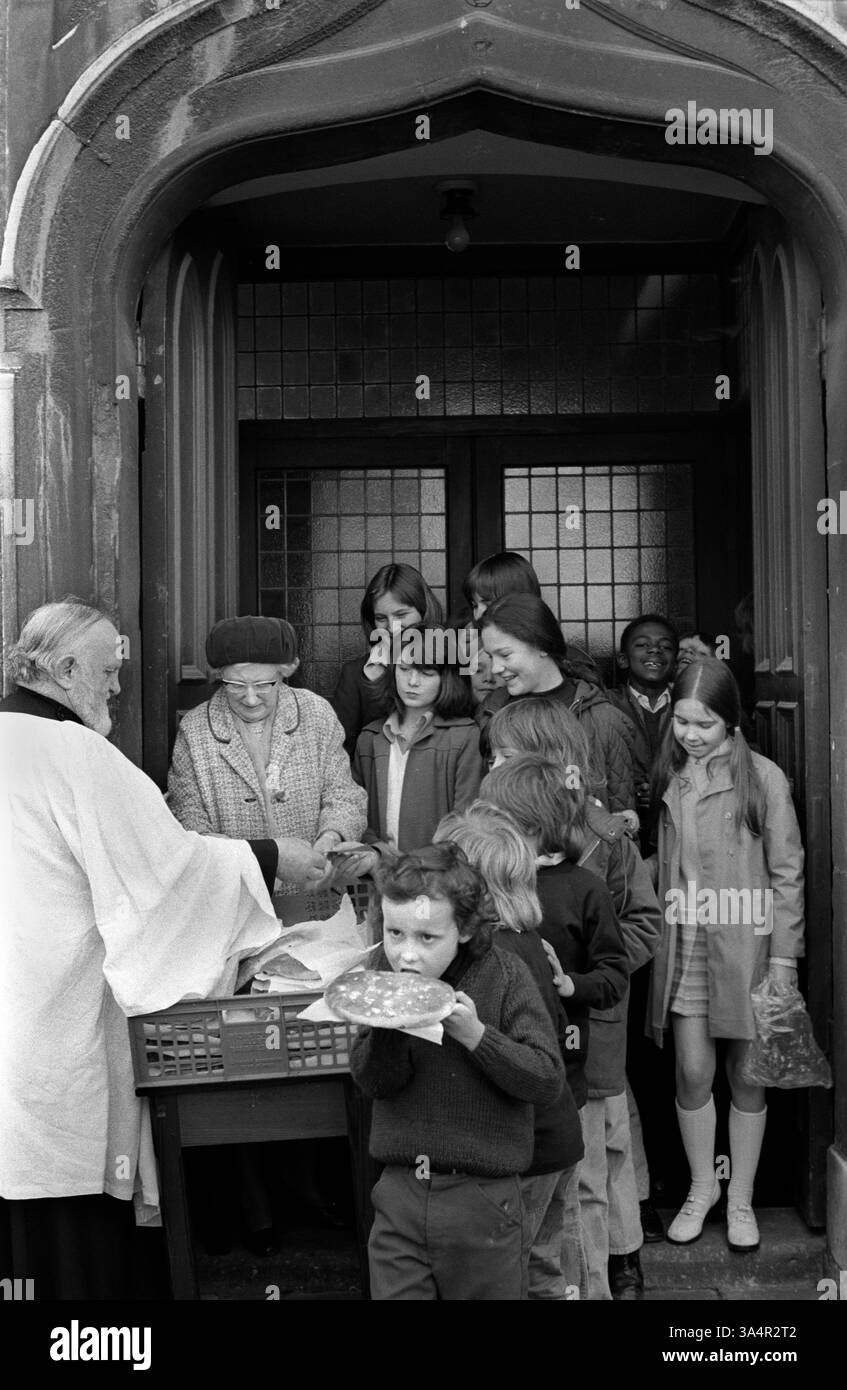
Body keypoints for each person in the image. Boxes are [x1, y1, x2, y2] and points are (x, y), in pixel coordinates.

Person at [0, 601, 326, 1299]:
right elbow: (164, 874)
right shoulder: (75, 754)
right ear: (64, 670)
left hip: (18, 999)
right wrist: (272, 859)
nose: (118, 687)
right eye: (110, 672)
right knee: (71, 1198)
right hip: (56, 1014)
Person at [484, 697, 665, 1281]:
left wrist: (585, 973)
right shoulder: (495, 835)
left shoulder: (606, 839)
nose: (493, 768)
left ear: (548, 764)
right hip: (532, 1032)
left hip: (593, 1022)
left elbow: (644, 922)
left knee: (599, 1149)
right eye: (493, 757)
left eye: (505, 757)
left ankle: (618, 1256)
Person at [349, 842, 565, 1300]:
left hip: (482, 1198)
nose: (407, 954)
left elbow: (546, 1079)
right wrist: (389, 1027)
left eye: (427, 938)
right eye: (394, 933)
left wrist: (477, 1038)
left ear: (464, 929)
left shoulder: (504, 975)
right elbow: (375, 1083)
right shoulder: (379, 970)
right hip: (401, 1190)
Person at [648, 658, 805, 1252]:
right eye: (682, 721)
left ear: (732, 723)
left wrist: (785, 960)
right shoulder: (671, 771)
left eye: (705, 724)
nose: (690, 734)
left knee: (747, 1074)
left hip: (748, 944)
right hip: (685, 940)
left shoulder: (764, 777)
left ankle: (739, 1196)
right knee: (692, 1071)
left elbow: (788, 872)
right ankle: (700, 1187)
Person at [433, 804, 584, 1301]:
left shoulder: (491, 958)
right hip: (556, 1136)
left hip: (528, 1146)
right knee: (545, 1267)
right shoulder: (531, 942)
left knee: (517, 1273)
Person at [167, 616, 367, 896]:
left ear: (284, 674)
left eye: (263, 684)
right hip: (235, 896)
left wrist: (331, 838)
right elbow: (188, 821)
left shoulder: (316, 714)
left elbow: (344, 795)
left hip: (312, 890)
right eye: (235, 685)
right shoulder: (196, 729)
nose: (250, 698)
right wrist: (253, 860)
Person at [478, 593, 636, 812]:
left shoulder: (602, 719)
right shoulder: (491, 711)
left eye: (505, 655)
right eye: (490, 656)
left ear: (542, 644)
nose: (495, 668)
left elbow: (621, 820)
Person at [350, 627, 483, 859]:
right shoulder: (370, 738)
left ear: (447, 677)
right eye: (404, 669)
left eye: (426, 673)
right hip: (381, 879)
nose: (412, 681)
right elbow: (355, 815)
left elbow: (465, 826)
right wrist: (379, 855)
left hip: (442, 879)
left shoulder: (465, 736)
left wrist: (412, 865)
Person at [331, 563, 443, 759]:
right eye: (381, 618)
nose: (392, 626)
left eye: (401, 615)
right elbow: (340, 751)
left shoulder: (452, 660)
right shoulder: (356, 674)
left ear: (424, 610)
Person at [608, 614, 679, 842]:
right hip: (628, 830)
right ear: (623, 659)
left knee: (688, 879)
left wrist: (667, 786)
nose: (655, 650)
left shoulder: (687, 705)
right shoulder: (608, 704)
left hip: (680, 826)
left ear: (675, 662)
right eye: (642, 645)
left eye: (665, 646)